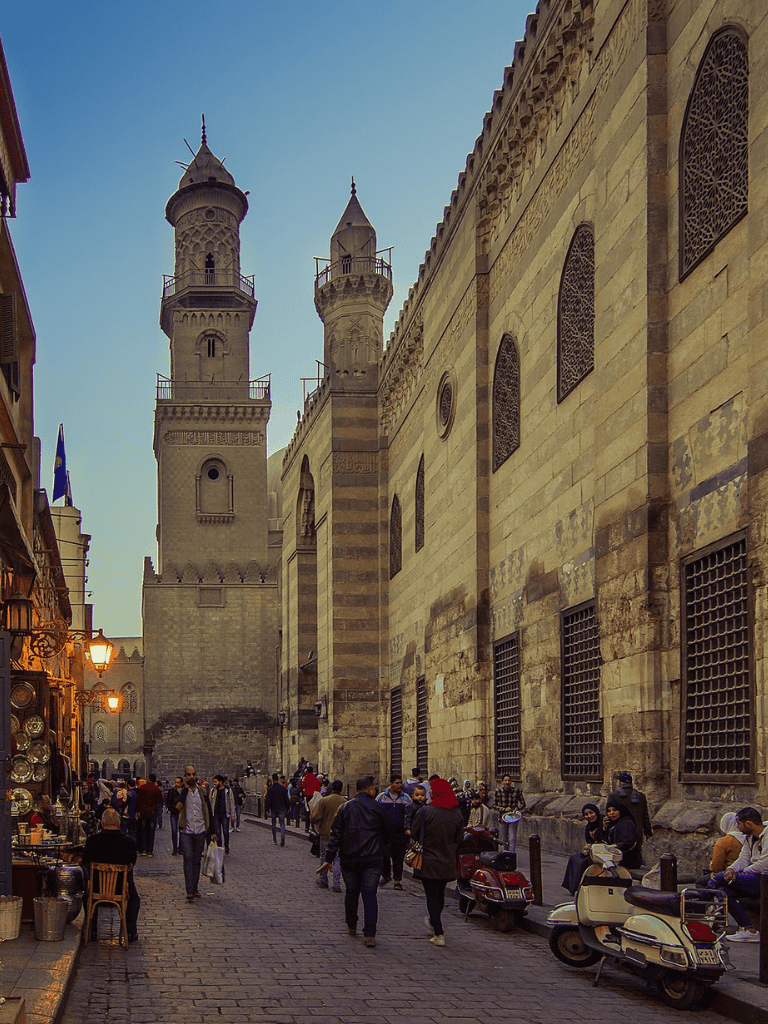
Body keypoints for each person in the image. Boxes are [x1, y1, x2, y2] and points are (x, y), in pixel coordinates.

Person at [317, 776, 392, 948]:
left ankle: (351, 925)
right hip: (372, 859)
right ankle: (369, 934)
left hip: (349, 859)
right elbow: (389, 835)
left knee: (352, 892)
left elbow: (335, 835)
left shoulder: (345, 808)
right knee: (369, 894)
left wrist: (329, 858)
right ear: (371, 789)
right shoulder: (379, 808)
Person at [411, 777, 464, 947]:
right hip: (447, 860)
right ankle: (435, 922)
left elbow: (414, 833)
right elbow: (459, 838)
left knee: (431, 896)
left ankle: (439, 932)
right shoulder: (456, 813)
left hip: (428, 859)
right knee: (439, 894)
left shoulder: (426, 811)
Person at [708, 806, 768, 942]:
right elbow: (743, 859)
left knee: (717, 879)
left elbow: (765, 863)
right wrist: (732, 870)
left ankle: (703, 903)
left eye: (739, 824)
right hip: (753, 877)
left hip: (764, 877)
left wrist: (740, 873)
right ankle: (748, 928)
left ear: (748, 824)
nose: (738, 828)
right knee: (723, 890)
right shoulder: (749, 837)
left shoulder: (767, 836)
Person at [81, 807, 140, 943]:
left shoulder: (92, 841)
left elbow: (85, 861)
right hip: (121, 888)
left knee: (86, 895)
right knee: (134, 899)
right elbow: (132, 863)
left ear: (102, 824)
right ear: (119, 824)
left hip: (96, 888)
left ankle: (92, 930)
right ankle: (130, 932)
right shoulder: (129, 843)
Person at [175, 765, 214, 899]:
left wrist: (212, 831)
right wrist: (185, 791)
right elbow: (176, 807)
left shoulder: (202, 792)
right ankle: (189, 888)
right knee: (188, 858)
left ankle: (195, 887)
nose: (191, 777)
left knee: (197, 860)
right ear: (185, 776)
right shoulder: (181, 792)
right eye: (188, 774)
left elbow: (208, 811)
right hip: (186, 830)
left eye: (193, 774)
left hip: (200, 829)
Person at [375, 774, 411, 889]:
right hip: (385, 833)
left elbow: (409, 815)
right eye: (397, 783)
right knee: (384, 856)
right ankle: (386, 875)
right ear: (391, 784)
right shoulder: (381, 798)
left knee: (398, 857)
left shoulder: (406, 798)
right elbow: (376, 814)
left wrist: (408, 828)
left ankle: (397, 880)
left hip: (400, 833)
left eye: (400, 783)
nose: (399, 785)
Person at [561, 803, 604, 895]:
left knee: (582, 862)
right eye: (586, 814)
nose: (589, 816)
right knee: (574, 858)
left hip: (601, 851)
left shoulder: (602, 823)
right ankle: (571, 886)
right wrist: (587, 849)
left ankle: (578, 887)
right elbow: (588, 841)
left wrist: (591, 847)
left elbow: (604, 839)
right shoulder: (589, 826)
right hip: (592, 850)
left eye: (591, 813)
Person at [311, 779, 346, 891]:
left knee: (324, 856)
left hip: (326, 833)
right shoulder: (345, 802)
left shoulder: (324, 801)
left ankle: (323, 880)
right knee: (338, 860)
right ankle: (336, 883)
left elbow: (316, 817)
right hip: (340, 835)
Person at [610, 772, 652, 864]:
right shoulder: (641, 796)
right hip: (637, 831)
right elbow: (645, 816)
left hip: (621, 832)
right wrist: (648, 832)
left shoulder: (613, 796)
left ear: (620, 783)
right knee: (635, 855)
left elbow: (610, 815)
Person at [493, 775, 526, 853]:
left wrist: (516, 809)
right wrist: (504, 809)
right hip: (502, 817)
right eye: (505, 780)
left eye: (508, 780)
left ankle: (512, 854)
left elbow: (523, 803)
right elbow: (494, 805)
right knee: (505, 838)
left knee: (512, 837)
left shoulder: (516, 791)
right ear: (502, 782)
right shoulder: (498, 791)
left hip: (513, 817)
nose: (507, 782)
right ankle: (506, 853)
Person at [604, 797, 639, 869]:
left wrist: (612, 847)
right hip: (614, 856)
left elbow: (627, 843)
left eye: (614, 810)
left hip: (627, 859)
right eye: (609, 811)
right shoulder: (612, 824)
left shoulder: (627, 823)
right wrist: (604, 829)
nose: (611, 813)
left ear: (620, 810)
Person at [136, 774, 164, 857]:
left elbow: (139, 800)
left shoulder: (143, 788)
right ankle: (150, 850)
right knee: (151, 832)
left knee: (143, 831)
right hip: (152, 812)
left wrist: (138, 811)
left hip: (143, 811)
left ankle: (144, 849)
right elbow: (160, 801)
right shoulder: (156, 789)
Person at [265, 772, 291, 846]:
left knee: (273, 824)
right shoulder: (283, 789)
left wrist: (267, 809)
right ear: (278, 779)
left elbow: (268, 800)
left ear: (272, 780)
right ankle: (282, 836)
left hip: (274, 808)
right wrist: (288, 808)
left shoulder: (270, 789)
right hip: (282, 808)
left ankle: (274, 840)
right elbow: (287, 799)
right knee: (282, 824)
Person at [211, 775, 234, 855]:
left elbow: (231, 802)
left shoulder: (227, 790)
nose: (214, 783)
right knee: (217, 832)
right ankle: (220, 847)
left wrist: (233, 814)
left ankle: (226, 845)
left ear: (220, 782)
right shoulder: (213, 790)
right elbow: (211, 802)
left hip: (225, 813)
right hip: (216, 814)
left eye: (216, 781)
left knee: (225, 831)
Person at [300, 764, 321, 832]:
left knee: (308, 812)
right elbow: (318, 788)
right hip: (314, 796)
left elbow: (302, 786)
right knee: (314, 811)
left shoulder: (305, 777)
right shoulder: (315, 778)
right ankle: (313, 827)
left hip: (308, 796)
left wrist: (302, 792)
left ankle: (307, 827)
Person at [166, 777, 183, 855]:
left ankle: (181, 848)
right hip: (174, 813)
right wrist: (171, 808)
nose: (176, 784)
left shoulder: (184, 791)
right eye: (176, 782)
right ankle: (175, 848)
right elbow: (168, 801)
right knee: (174, 831)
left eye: (178, 782)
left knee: (182, 831)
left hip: (182, 814)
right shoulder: (172, 791)